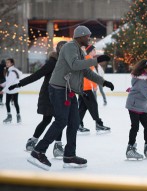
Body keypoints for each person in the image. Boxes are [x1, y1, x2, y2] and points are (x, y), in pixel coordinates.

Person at [27, 25, 114, 170]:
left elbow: (85, 71)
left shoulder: (79, 50)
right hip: (59, 89)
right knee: (61, 121)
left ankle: (69, 156)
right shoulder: (69, 47)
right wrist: (96, 61)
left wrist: (103, 82)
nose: (89, 38)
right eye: (87, 36)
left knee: (74, 122)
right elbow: (74, 65)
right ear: (80, 36)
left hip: (70, 90)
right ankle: (38, 151)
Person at [9, 41, 67, 157]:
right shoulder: (52, 62)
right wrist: (19, 84)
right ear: (59, 50)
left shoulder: (66, 63)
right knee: (48, 120)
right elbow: (37, 75)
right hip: (48, 96)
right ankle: (33, 141)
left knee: (58, 120)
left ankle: (57, 146)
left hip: (60, 95)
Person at [78, 45, 110, 133]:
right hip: (86, 88)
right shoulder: (89, 60)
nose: (95, 52)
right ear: (90, 52)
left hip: (82, 88)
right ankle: (98, 124)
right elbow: (90, 75)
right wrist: (95, 86)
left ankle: (78, 124)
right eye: (94, 51)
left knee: (82, 107)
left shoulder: (85, 59)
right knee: (93, 105)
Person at [0, 58, 22, 123]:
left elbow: (10, 83)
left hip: (12, 89)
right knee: (10, 103)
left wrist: (3, 90)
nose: (6, 64)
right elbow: (8, 81)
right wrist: (2, 84)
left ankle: (17, 117)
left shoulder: (12, 72)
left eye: (8, 62)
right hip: (12, 89)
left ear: (12, 63)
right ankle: (11, 117)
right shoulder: (10, 70)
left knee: (14, 103)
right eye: (6, 62)